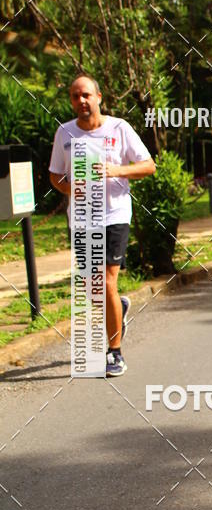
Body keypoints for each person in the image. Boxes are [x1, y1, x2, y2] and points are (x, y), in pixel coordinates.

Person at [49, 73, 155, 376]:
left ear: (98, 98)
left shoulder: (119, 128)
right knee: (92, 286)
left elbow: (148, 166)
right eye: (75, 96)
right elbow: (55, 175)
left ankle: (115, 353)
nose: (81, 100)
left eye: (86, 95)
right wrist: (72, 190)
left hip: (114, 215)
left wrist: (115, 170)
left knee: (105, 281)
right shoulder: (65, 133)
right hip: (81, 218)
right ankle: (117, 307)